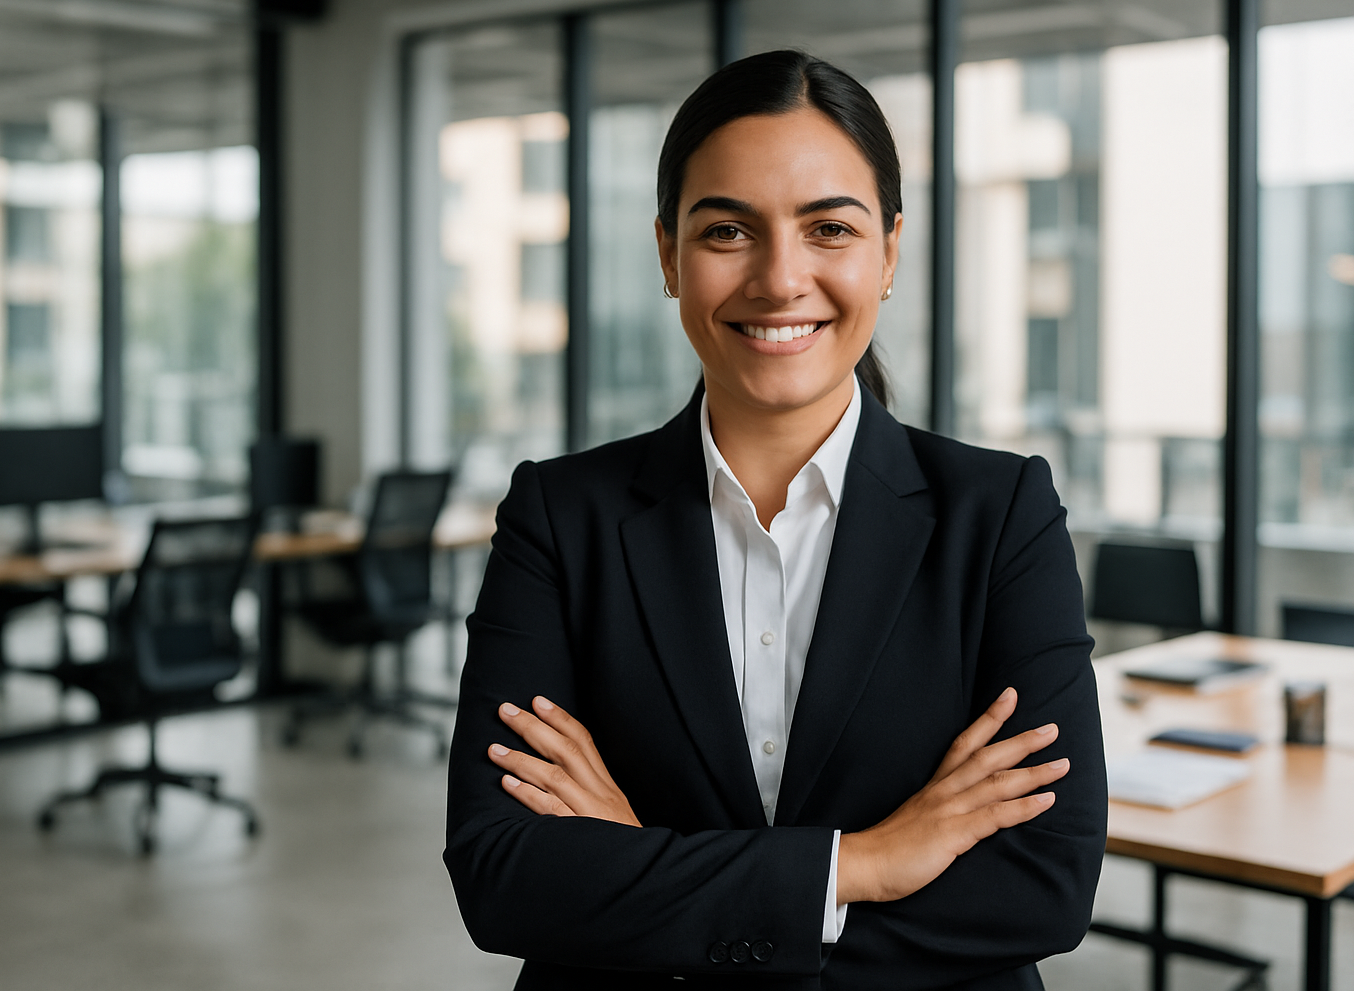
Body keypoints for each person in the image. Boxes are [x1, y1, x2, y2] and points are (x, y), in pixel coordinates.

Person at [444, 50, 1106, 991]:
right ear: (670, 255)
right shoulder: (561, 518)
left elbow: (1044, 884)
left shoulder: (999, 517)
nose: (779, 278)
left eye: (829, 228)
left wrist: (650, 872)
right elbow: (502, 875)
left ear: (890, 253)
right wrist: (861, 866)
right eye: (727, 231)